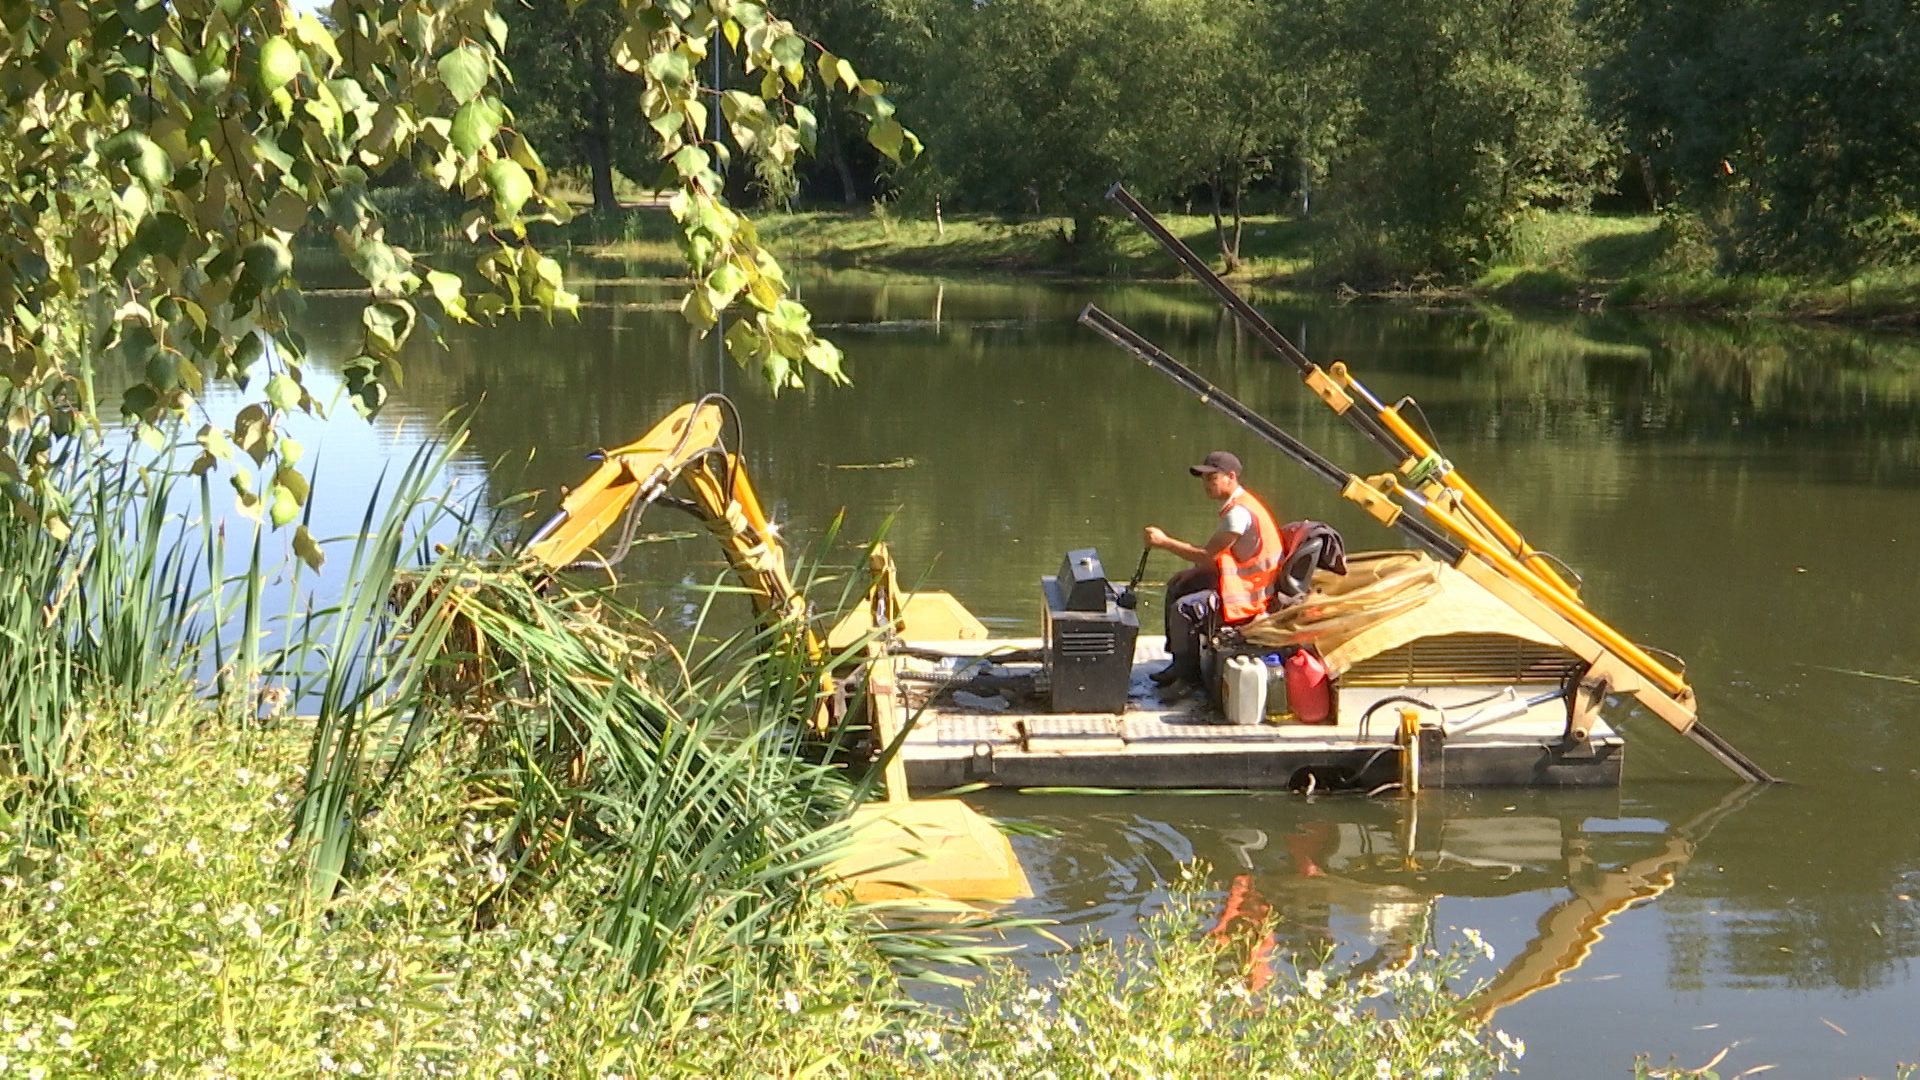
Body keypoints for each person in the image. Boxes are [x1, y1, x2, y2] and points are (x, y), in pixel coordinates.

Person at [1142, 451, 1284, 686]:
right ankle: (1180, 660)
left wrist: (1164, 542)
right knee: (1179, 585)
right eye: (1204, 479)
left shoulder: (1239, 514)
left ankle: (1186, 676)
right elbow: (1219, 559)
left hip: (1251, 596)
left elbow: (1207, 555)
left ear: (1230, 476)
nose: (1206, 485)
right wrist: (1193, 573)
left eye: (1212, 478)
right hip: (1242, 585)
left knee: (1183, 609)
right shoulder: (1241, 505)